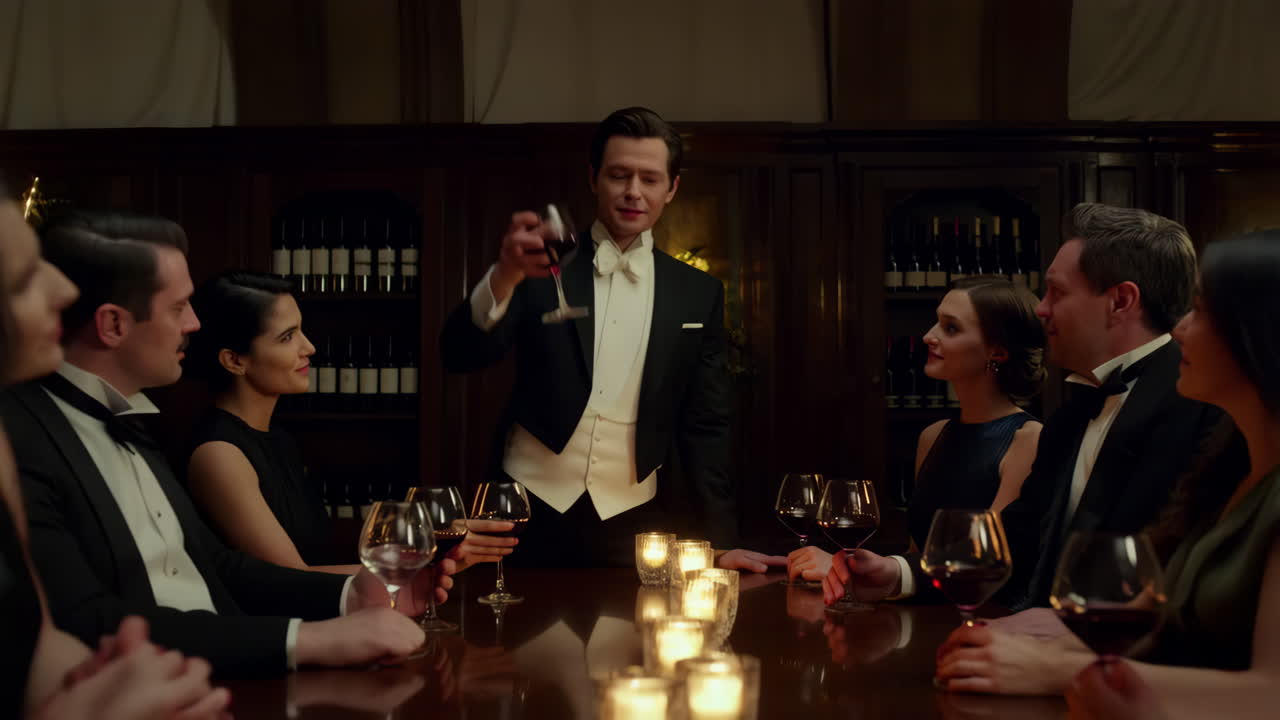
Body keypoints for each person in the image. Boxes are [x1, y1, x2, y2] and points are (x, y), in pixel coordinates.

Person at [0, 208, 455, 676]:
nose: (194, 324)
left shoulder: (132, 420)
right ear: (113, 325)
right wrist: (306, 639)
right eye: (179, 308)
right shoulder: (19, 440)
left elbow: (217, 566)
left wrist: (353, 594)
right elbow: (80, 623)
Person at [931, 231, 1280, 717]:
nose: (1179, 329)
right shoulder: (1225, 472)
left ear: (1259, 334)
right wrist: (1056, 648)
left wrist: (1061, 668)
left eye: (1200, 310)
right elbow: (1161, 628)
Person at [824, 203, 1221, 610]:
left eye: (1057, 292)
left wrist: (1063, 635)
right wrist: (900, 574)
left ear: (1120, 301)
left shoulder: (1201, 403)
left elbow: (1194, 568)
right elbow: (1017, 537)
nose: (1040, 308)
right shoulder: (1072, 414)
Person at [440, 106, 781, 571]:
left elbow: (707, 424)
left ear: (672, 189)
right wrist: (505, 275)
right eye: (619, 175)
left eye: (649, 178)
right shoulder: (537, 266)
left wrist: (719, 542)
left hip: (636, 519)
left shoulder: (698, 292)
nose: (633, 192)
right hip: (522, 513)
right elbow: (458, 354)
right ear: (593, 178)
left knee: (629, 642)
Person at [0, 185, 230, 718]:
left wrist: (129, 683)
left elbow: (45, 647)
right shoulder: (23, 430)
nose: (62, 289)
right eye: (23, 276)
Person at [791, 277, 1044, 583]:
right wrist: (852, 570)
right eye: (935, 322)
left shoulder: (1028, 439)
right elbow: (918, 553)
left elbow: (986, 559)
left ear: (997, 352)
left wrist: (846, 565)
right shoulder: (933, 436)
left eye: (950, 328)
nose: (927, 336)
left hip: (991, 619)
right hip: (924, 617)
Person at [182, 271, 351, 572]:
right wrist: (417, 568)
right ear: (234, 360)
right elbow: (293, 579)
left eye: (301, 330)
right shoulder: (219, 454)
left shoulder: (280, 440)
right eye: (288, 336)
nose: (309, 347)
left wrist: (423, 547)